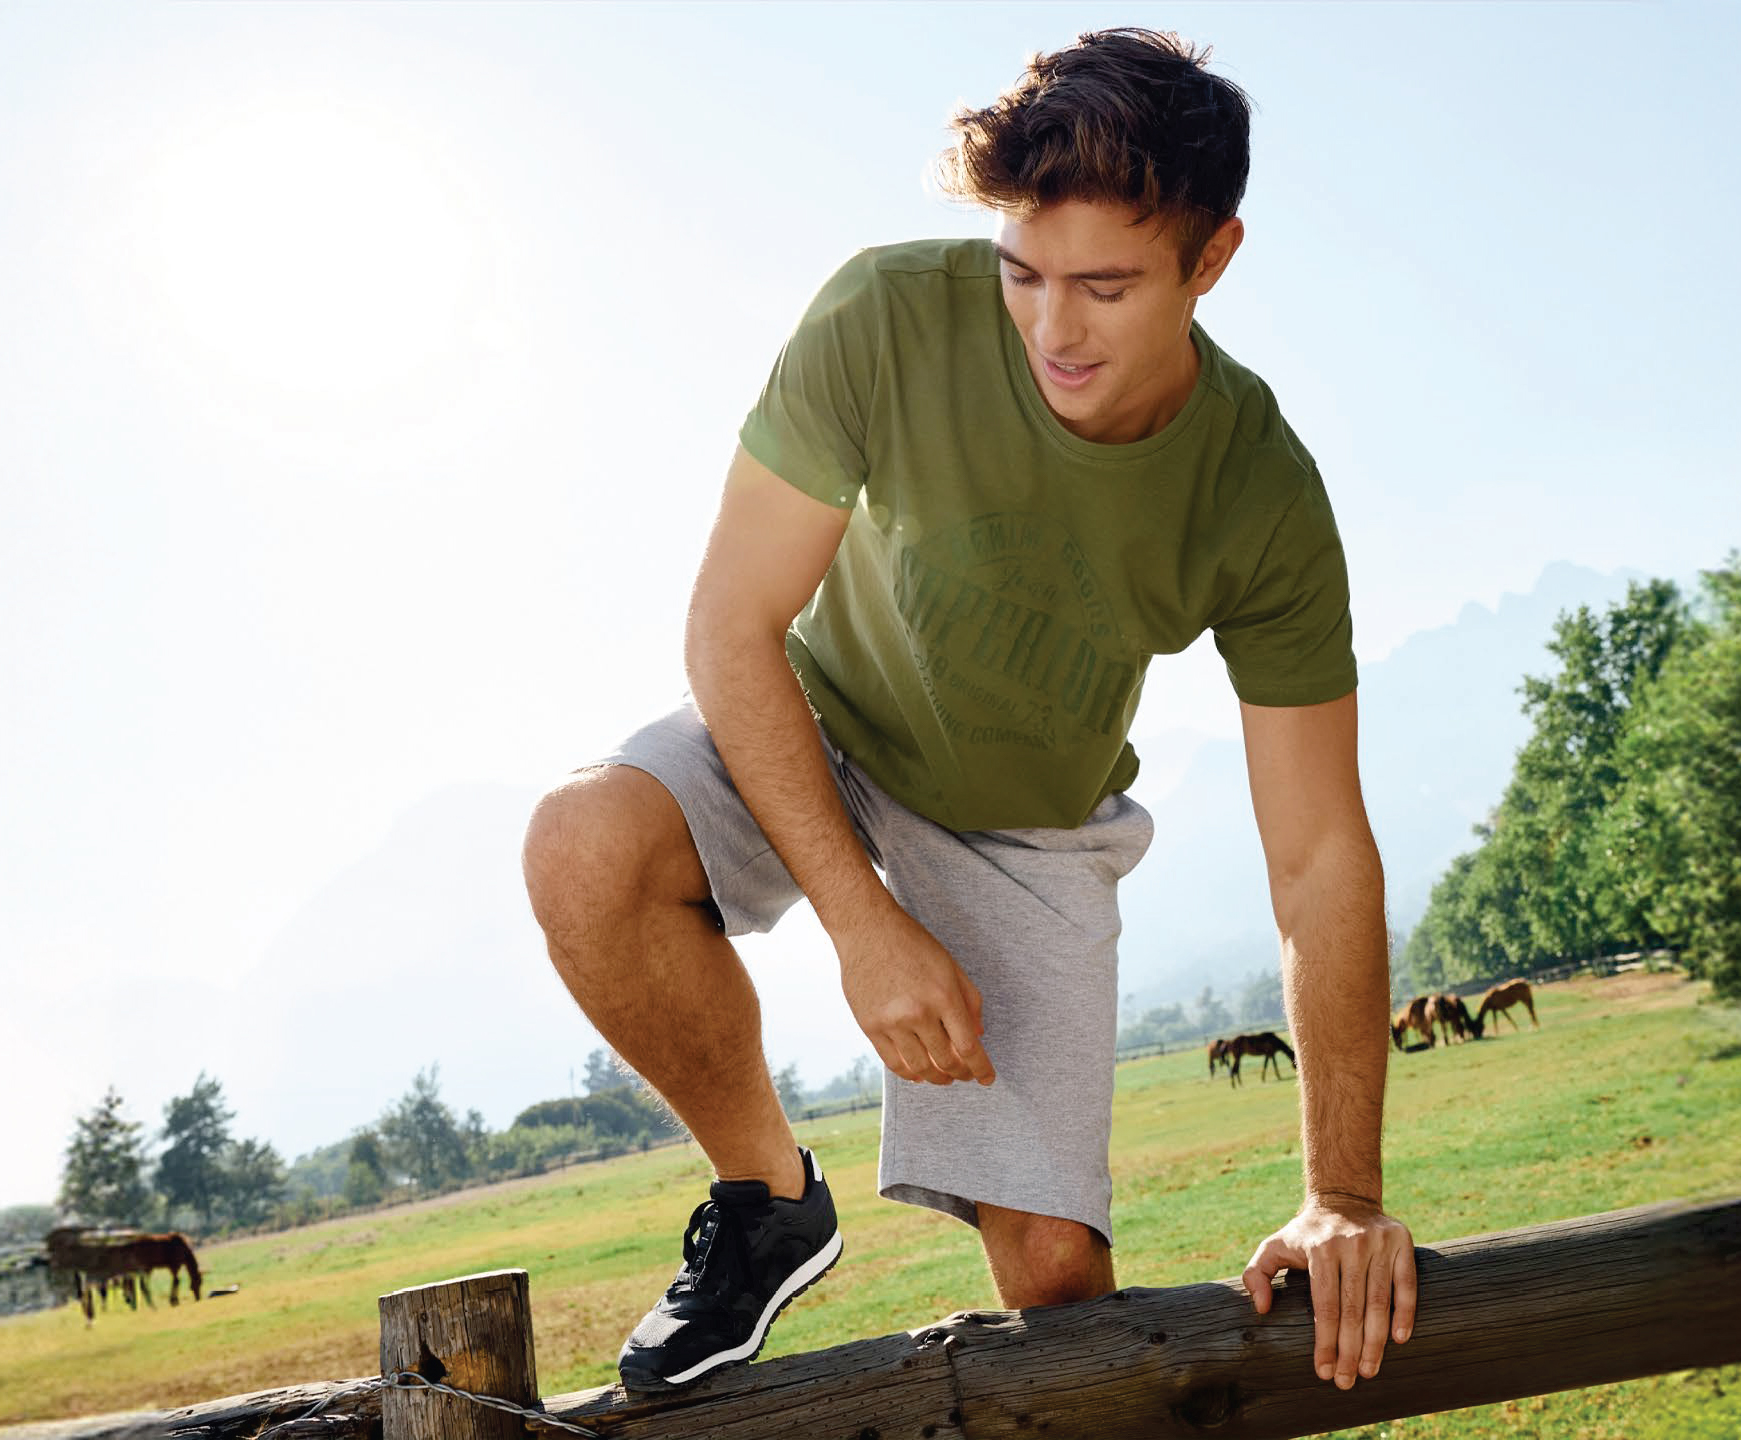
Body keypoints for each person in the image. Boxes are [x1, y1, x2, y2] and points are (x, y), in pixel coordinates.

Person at [520, 26, 1417, 1399]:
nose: (1053, 329)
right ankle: (768, 1202)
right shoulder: (881, 316)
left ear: (1212, 258)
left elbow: (1316, 856)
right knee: (583, 842)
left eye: (1105, 286)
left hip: (1029, 825)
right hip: (820, 721)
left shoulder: (1261, 493)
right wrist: (862, 923)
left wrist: (1341, 1192)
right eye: (1022, 273)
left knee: (1059, 1285)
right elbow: (729, 624)